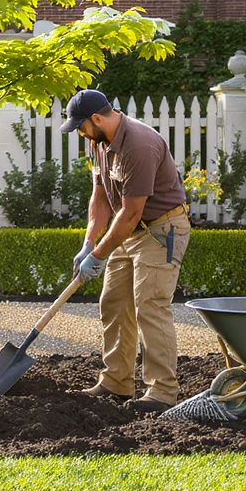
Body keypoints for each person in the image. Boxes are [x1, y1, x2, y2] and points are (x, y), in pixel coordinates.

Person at [62, 89, 190, 414]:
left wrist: (99, 255)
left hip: (161, 230)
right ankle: (116, 381)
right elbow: (101, 196)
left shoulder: (139, 145)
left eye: (80, 126)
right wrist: (89, 242)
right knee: (114, 302)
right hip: (130, 230)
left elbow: (131, 212)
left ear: (97, 119)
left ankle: (162, 392)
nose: (79, 133)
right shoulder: (99, 143)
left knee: (150, 304)